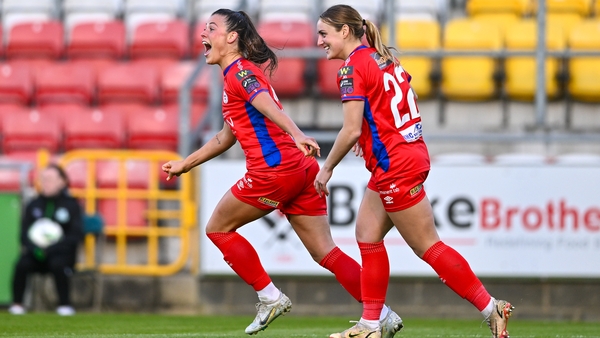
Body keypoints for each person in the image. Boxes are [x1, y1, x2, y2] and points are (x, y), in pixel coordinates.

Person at [161, 9, 402, 337]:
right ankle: (380, 314)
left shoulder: (239, 73)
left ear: (232, 38)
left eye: (211, 28)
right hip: (301, 171)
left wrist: (298, 133)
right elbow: (225, 136)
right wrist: (185, 164)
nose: (203, 33)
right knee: (325, 252)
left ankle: (269, 296)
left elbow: (267, 105)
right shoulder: (237, 73)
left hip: (272, 172)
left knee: (218, 228)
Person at [313, 5, 514, 338]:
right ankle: (371, 324)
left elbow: (349, 130)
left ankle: (490, 307)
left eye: (324, 34)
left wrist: (327, 169)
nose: (319, 41)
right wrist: (373, 133)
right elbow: (407, 99)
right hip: (403, 156)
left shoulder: (351, 69)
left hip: (395, 164)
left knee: (426, 246)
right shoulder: (384, 59)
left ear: (344, 32)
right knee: (366, 232)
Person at [9, 164, 84, 316]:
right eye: (43, 179)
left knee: (58, 264)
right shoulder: (33, 204)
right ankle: (17, 304)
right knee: (21, 264)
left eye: (50, 179)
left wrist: (51, 249)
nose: (46, 183)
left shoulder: (71, 205)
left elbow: (75, 236)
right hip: (36, 253)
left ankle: (64, 305)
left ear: (62, 182)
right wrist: (35, 249)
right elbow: (24, 234)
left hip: (61, 254)